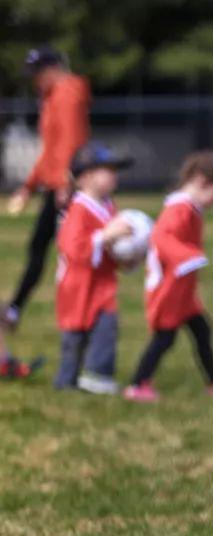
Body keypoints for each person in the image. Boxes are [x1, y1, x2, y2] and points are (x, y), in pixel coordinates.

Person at [124, 152, 213, 402]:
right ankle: (137, 385)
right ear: (201, 180)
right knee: (164, 339)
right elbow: (161, 239)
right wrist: (187, 256)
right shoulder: (179, 208)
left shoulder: (189, 208)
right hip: (168, 291)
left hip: (183, 293)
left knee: (202, 330)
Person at [3, 46, 91, 330]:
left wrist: (67, 182)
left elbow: (71, 141)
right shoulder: (51, 97)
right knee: (39, 246)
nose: (36, 80)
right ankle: (14, 309)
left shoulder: (68, 93)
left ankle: (82, 315)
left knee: (73, 252)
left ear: (54, 67)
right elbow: (50, 150)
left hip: (67, 186)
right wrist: (28, 187)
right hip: (57, 185)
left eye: (39, 72)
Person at [54, 143, 134, 394]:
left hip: (101, 284)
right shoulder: (78, 209)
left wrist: (127, 257)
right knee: (75, 337)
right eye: (108, 170)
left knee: (106, 326)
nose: (114, 175)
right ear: (86, 176)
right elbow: (73, 248)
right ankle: (66, 381)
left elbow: (113, 248)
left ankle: (99, 375)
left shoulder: (109, 206)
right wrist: (105, 235)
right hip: (77, 287)